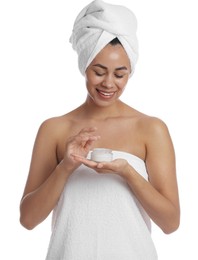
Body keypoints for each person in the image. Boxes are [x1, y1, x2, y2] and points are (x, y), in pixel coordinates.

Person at [19, 0, 180, 259]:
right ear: (85, 67)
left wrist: (128, 173)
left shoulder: (151, 129)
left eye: (120, 74)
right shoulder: (54, 129)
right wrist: (66, 167)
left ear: (130, 73)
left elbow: (171, 223)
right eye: (99, 71)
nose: (108, 83)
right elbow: (28, 219)